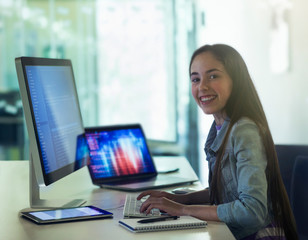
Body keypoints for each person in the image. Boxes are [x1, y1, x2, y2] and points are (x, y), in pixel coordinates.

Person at [138, 44, 298, 240]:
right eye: (195, 79)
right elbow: (227, 194)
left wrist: (182, 209)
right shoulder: (219, 127)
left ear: (235, 80)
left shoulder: (244, 130)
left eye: (213, 76)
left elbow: (252, 211)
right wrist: (179, 199)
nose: (202, 86)